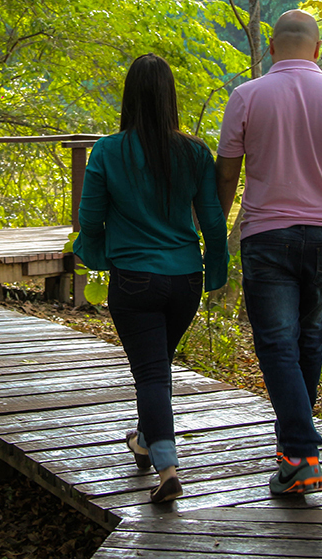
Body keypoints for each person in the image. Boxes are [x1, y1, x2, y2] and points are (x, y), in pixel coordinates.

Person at [215, 9, 322, 495]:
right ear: (317, 50)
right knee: (308, 340)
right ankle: (296, 449)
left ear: (272, 49)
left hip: (266, 236)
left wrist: (210, 234)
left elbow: (227, 175)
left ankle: (300, 452)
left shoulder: (246, 96)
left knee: (276, 344)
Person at [74, 53, 228, 504]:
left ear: (129, 97)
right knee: (156, 367)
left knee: (152, 374)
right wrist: (215, 269)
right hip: (185, 281)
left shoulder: (107, 151)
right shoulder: (196, 151)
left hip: (135, 280)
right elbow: (213, 220)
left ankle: (167, 466)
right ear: (170, 97)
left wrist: (100, 257)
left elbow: (90, 219)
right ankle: (143, 440)